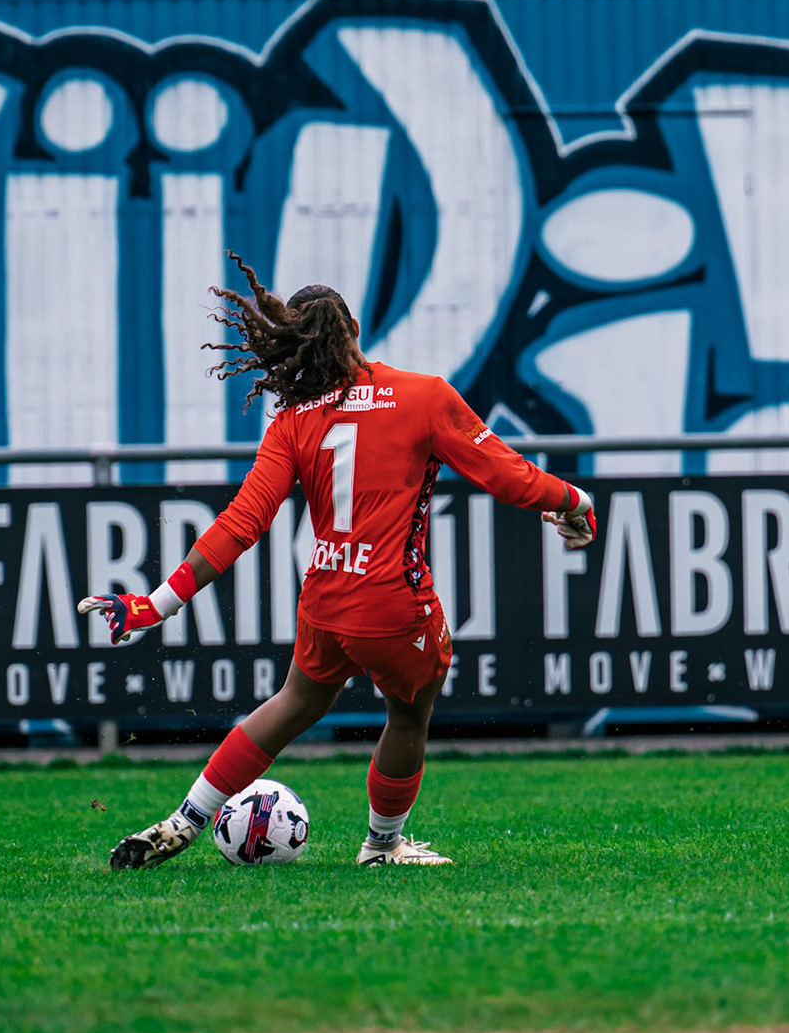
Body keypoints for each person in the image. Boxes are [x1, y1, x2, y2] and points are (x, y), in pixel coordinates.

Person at [81, 253, 597, 869]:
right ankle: (382, 846)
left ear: (292, 346)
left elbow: (241, 523)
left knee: (296, 702)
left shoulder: (293, 419)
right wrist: (573, 500)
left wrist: (155, 604)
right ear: (353, 330)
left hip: (324, 599)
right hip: (394, 604)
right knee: (410, 712)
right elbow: (509, 477)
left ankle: (185, 819)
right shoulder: (423, 396)